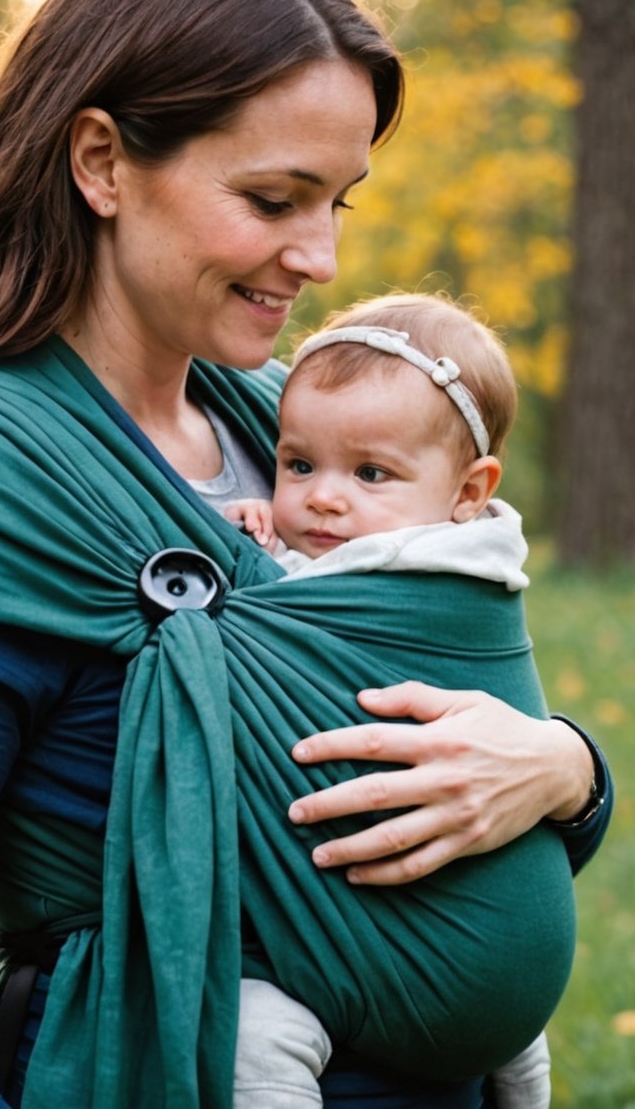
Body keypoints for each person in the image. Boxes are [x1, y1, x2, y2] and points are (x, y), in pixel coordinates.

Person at [0, 0, 613, 1106]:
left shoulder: (291, 425)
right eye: (273, 200)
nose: (321, 258)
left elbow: (438, 728)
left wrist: (564, 769)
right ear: (103, 162)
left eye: (338, 203)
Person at [217, 293, 557, 1109]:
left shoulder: (428, 578)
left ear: (469, 492)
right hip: (495, 976)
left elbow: (284, 620)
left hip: (442, 944)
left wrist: (248, 560)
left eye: (370, 474)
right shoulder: (477, 547)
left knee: (247, 1034)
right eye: (298, 465)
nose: (324, 498)